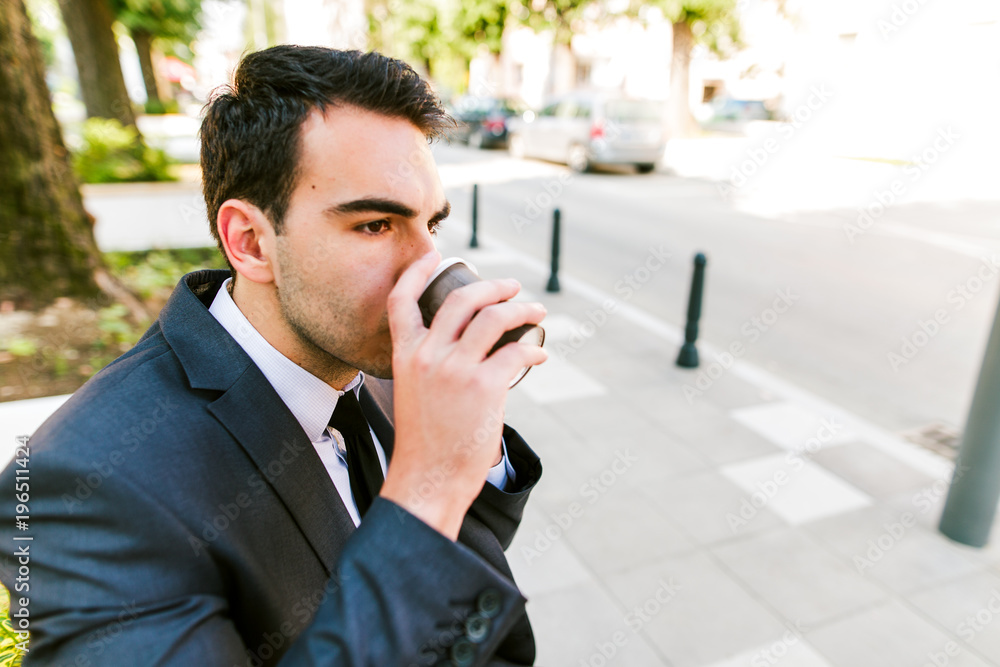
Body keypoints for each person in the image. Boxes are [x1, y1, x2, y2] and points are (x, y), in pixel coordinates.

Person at [0, 45, 548, 666]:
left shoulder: (357, 355)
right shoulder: (87, 489)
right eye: (375, 225)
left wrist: (466, 454)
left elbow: (444, 557)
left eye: (432, 225)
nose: (425, 268)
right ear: (251, 242)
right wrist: (429, 483)